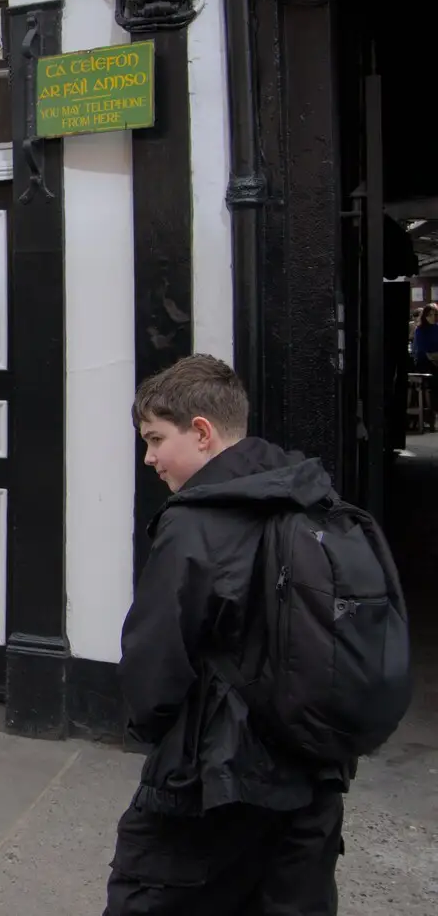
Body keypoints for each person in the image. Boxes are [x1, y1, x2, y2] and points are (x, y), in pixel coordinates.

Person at [105, 354, 353, 916]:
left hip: (213, 780)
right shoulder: (315, 499)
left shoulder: (194, 523)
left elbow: (155, 659)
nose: (149, 459)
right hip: (313, 774)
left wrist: (158, 735)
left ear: (201, 432)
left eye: (154, 439)